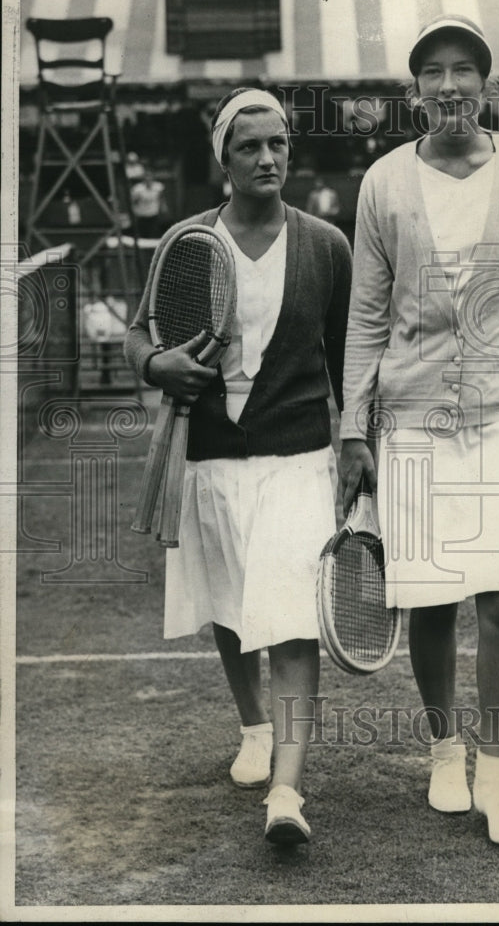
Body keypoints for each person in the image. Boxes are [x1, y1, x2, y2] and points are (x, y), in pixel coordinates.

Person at [339, 15, 499, 847]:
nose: (448, 86)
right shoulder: (381, 182)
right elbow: (366, 316)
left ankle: (495, 770)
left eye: (463, 70)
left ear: (484, 84)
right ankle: (443, 751)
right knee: (432, 601)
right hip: (412, 417)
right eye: (431, 72)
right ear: (414, 88)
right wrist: (353, 428)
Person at [124, 88, 352, 845]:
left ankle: (286, 794)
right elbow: (136, 338)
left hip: (298, 459)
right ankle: (253, 726)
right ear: (223, 158)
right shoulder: (186, 241)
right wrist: (159, 365)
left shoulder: (326, 244)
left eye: (278, 143)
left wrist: (361, 445)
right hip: (211, 459)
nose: (267, 157)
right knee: (228, 604)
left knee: (289, 624)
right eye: (249, 145)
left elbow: (350, 361)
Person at [130, 168, 168, 238]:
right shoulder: (137, 188)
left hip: (153, 214)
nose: (148, 179)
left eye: (150, 177)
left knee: (154, 233)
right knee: (143, 234)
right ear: (143, 179)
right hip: (141, 215)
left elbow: (161, 198)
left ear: (152, 178)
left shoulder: (158, 186)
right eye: (146, 177)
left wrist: (164, 208)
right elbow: (133, 202)